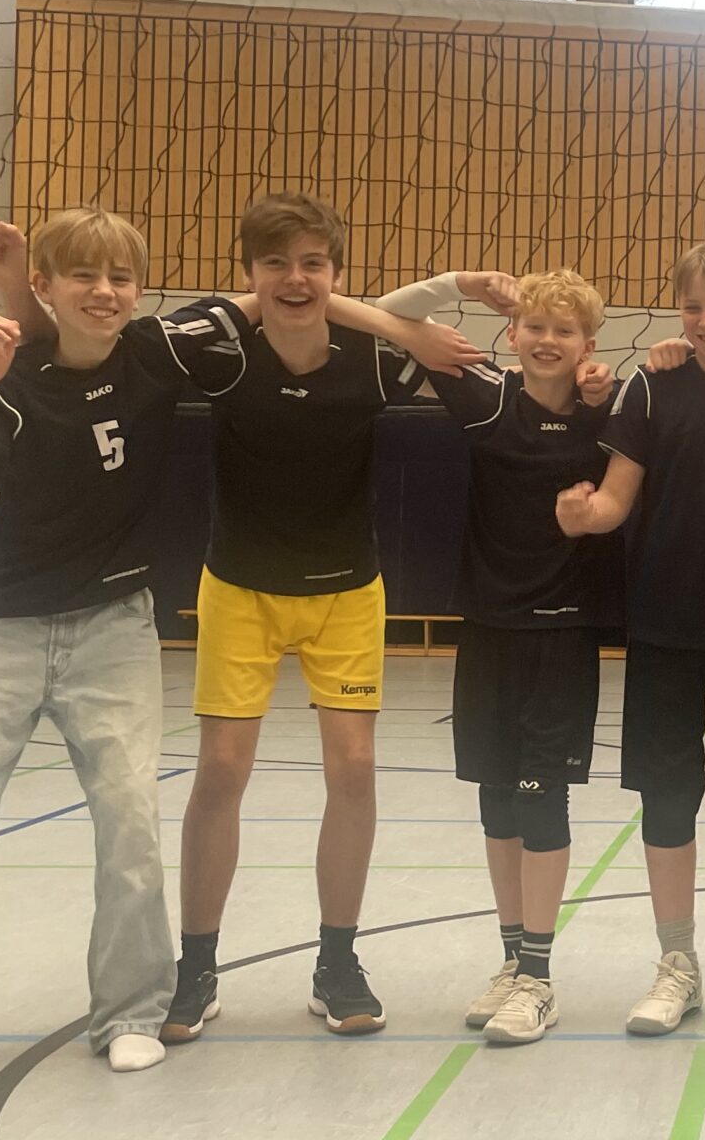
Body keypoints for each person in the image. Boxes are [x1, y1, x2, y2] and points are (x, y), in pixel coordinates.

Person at [0, 212, 227, 1091]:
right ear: (48, 292)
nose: (105, 293)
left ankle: (132, 1011)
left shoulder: (155, 354)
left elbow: (288, 300)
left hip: (112, 629)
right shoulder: (10, 376)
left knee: (130, 819)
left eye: (121, 278)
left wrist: (426, 312)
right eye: (83, 278)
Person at [155, 193, 486, 1042]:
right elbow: (169, 326)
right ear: (249, 275)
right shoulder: (223, 354)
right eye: (276, 265)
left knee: (355, 769)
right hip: (241, 588)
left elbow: (425, 344)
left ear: (337, 273)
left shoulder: (372, 364)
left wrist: (418, 316)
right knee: (222, 771)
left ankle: (337, 959)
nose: (295, 281)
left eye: (314, 265)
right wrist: (398, 312)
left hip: (345, 591)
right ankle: (197, 965)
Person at [556, 238, 705, 1037]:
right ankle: (677, 962)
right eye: (691, 307)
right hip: (662, 626)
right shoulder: (652, 389)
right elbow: (620, 496)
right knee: (668, 797)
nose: (704, 321)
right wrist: (588, 516)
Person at [374, 267, 616, 1047]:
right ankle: (512, 961)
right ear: (513, 336)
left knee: (542, 800)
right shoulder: (485, 399)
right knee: (496, 798)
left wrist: (629, 378)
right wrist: (455, 285)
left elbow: (674, 386)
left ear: (589, 344)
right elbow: (380, 319)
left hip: (561, 634)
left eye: (565, 330)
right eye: (535, 327)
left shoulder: (604, 414)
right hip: (485, 625)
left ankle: (539, 978)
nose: (547, 341)